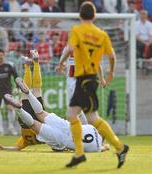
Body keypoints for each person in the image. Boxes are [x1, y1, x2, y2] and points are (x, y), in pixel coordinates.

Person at [55, 1, 129, 168]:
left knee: (90, 118)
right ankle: (81, 153)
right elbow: (112, 57)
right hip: (92, 79)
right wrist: (110, 73)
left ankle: (119, 147)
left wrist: (60, 63)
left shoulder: (77, 30)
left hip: (83, 79)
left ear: (80, 15)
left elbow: (69, 49)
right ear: (94, 16)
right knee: (75, 115)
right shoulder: (101, 34)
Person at [2, 77, 110, 153]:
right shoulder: (96, 147)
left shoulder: (91, 127)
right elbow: (103, 147)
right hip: (62, 139)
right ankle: (19, 109)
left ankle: (28, 93)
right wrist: (105, 146)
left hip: (65, 126)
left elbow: (79, 116)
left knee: (40, 113)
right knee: (34, 125)